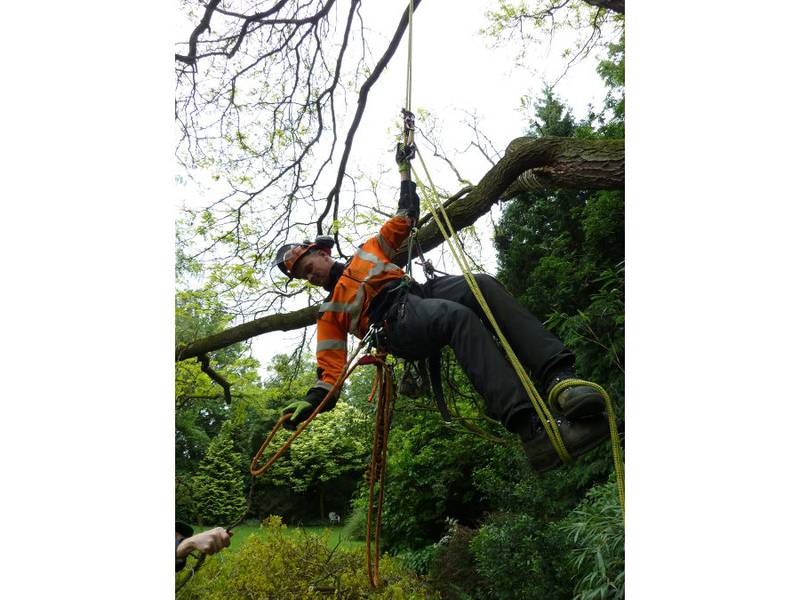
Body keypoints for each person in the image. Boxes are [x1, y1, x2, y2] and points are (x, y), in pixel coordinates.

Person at [273, 146, 610, 472]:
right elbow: (329, 373)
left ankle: (560, 380)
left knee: (481, 285)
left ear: (320, 252)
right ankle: (533, 432)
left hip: (417, 293)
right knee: (456, 318)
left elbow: (405, 217)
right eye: (304, 276)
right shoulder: (329, 312)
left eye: (308, 267)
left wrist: (404, 171)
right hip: (394, 323)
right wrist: (315, 400)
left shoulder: (369, 251)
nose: (311, 276)